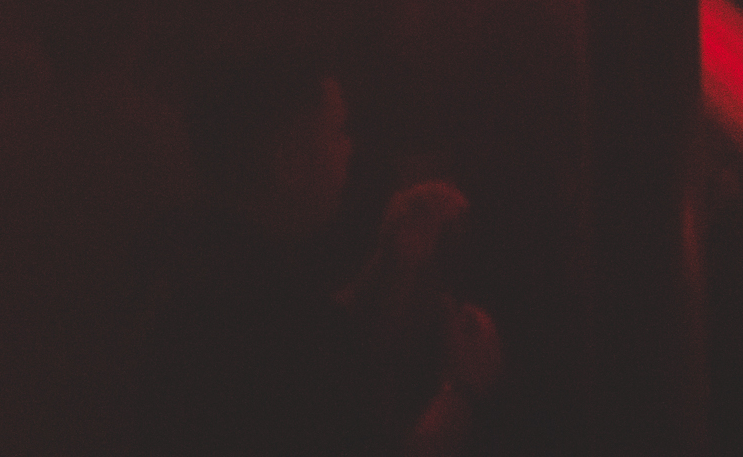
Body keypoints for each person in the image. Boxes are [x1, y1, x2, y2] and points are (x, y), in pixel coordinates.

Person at [135, 47, 498, 457]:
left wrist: (389, 263)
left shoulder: (188, 258)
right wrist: (463, 389)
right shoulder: (276, 318)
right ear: (287, 161)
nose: (350, 147)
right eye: (337, 131)